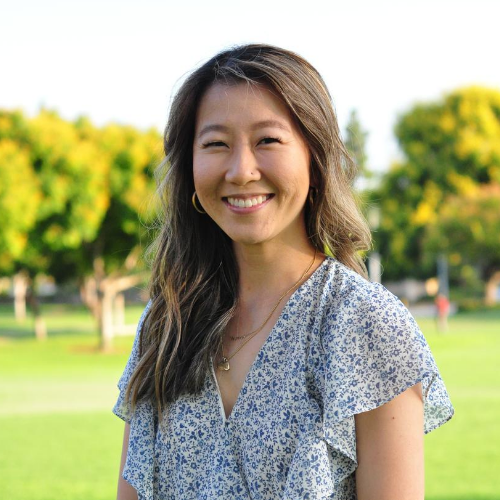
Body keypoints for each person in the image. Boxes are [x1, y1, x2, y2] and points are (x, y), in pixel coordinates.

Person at [113, 44, 454, 500]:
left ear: (314, 156)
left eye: (267, 141)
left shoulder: (367, 324)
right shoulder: (166, 323)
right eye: (216, 144)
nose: (241, 171)